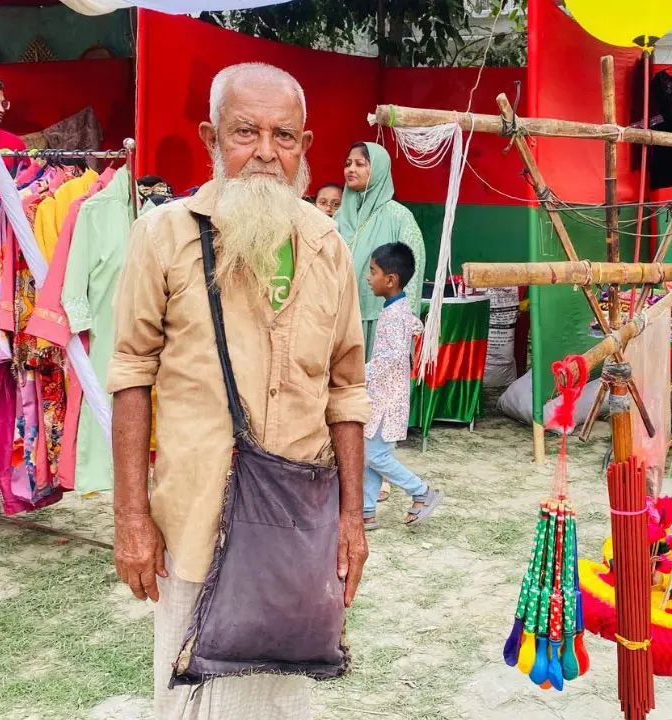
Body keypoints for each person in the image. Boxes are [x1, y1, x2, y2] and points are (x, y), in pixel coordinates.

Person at [107, 63, 371, 719]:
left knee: (282, 700)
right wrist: (131, 517)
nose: (264, 152)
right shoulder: (162, 235)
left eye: (284, 136)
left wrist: (351, 519)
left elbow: (347, 389)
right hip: (197, 520)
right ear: (211, 137)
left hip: (296, 527)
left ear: (305, 148)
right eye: (245, 132)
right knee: (192, 697)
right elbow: (131, 376)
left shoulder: (327, 245)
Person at [361, 242, 445, 529]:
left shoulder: (395, 314)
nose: (368, 278)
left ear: (390, 280)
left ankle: (421, 491)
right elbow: (413, 327)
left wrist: (358, 373)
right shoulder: (397, 308)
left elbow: (391, 356)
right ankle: (366, 510)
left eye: (372, 272)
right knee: (369, 454)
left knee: (375, 455)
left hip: (387, 397)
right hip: (381, 395)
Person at [336, 142, 426, 358]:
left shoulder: (399, 217)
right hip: (340, 316)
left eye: (360, 164)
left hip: (382, 319)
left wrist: (404, 317)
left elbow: (413, 264)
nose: (351, 169)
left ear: (377, 169)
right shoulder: (340, 215)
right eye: (348, 164)